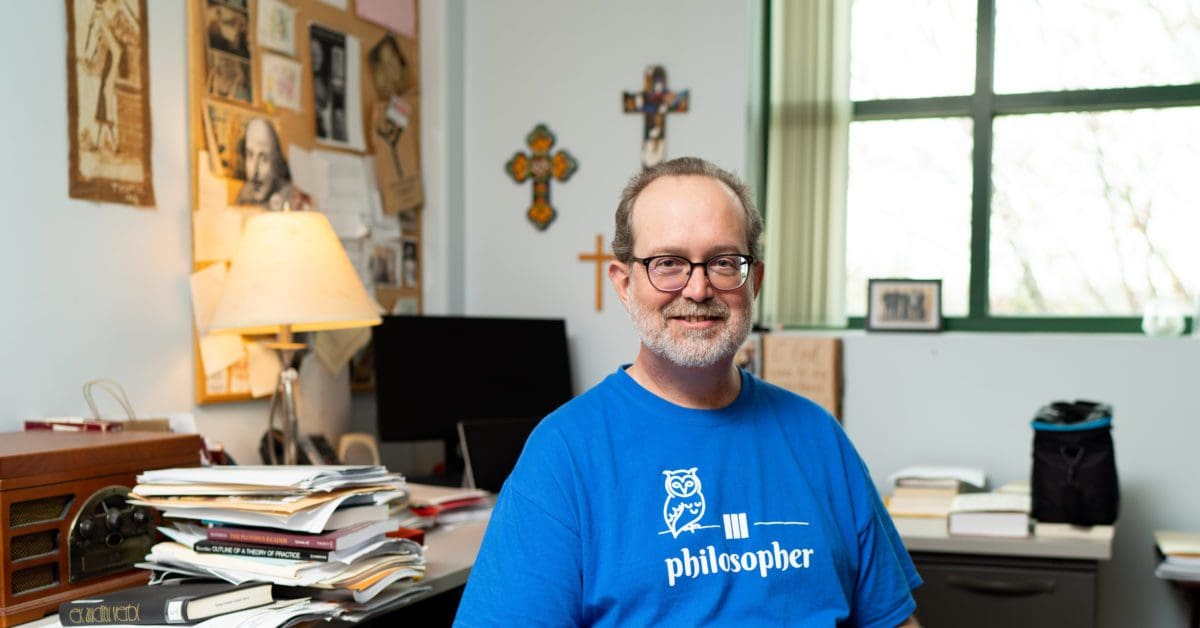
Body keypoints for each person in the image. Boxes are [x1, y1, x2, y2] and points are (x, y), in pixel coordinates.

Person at [454, 157, 922, 627]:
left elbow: (894, 621)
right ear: (624, 283)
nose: (698, 289)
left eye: (723, 262)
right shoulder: (564, 455)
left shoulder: (820, 438)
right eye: (669, 263)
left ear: (754, 281)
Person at [234, 117, 296, 210]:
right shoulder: (246, 193)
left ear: (276, 163)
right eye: (250, 155)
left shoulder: (291, 198)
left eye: (264, 159)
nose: (254, 172)